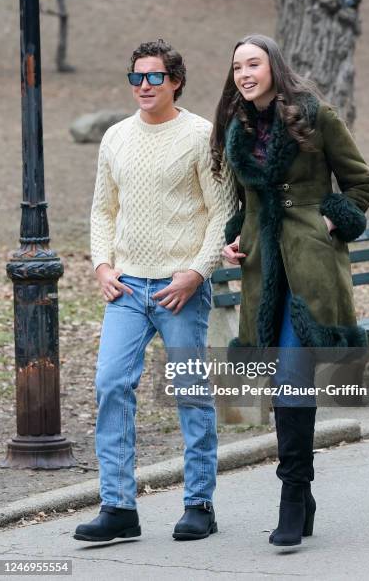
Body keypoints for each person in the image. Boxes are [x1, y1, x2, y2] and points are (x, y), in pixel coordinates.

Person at [211, 34, 369, 548]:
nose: (243, 72)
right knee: (283, 383)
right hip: (263, 272)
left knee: (289, 379)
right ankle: (301, 500)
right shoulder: (236, 126)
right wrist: (234, 239)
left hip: (310, 269)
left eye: (253, 62)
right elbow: (246, 201)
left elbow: (360, 184)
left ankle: (291, 495)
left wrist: (331, 220)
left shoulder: (314, 113)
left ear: (273, 67)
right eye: (237, 64)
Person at [74, 39, 236, 543]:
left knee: (190, 394)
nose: (144, 86)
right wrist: (102, 265)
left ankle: (199, 503)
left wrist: (195, 273)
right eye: (136, 78)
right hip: (126, 289)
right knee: (110, 385)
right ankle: (119, 507)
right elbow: (104, 209)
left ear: (175, 81)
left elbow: (222, 214)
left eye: (154, 77)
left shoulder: (201, 136)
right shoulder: (116, 138)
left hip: (179, 289)